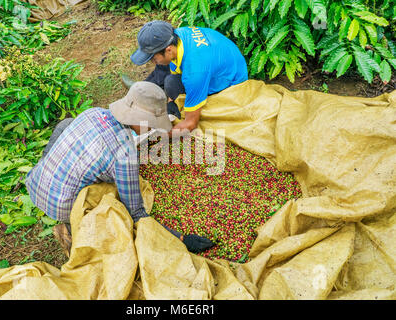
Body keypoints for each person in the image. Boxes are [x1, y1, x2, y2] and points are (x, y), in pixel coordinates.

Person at [25, 81, 214, 257]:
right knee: (112, 199)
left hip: (35, 183)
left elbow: (63, 127)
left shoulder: (93, 113)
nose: (150, 130)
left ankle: (47, 172)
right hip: (60, 206)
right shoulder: (125, 156)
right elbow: (137, 214)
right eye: (151, 126)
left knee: (66, 124)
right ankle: (72, 225)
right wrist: (181, 239)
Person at [129, 20, 248, 137]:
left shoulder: (195, 72)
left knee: (171, 83)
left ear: (168, 49)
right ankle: (150, 89)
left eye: (153, 59)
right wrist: (171, 101)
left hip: (231, 83)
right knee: (166, 75)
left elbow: (191, 123)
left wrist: (160, 134)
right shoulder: (178, 35)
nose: (152, 62)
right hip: (216, 61)